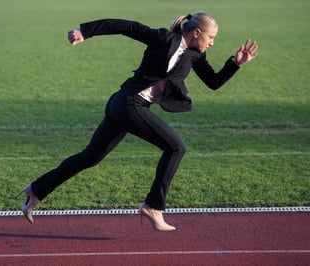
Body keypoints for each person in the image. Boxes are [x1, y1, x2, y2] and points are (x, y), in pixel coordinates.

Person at [17, 11, 258, 231]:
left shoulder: (195, 55)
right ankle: (153, 206)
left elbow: (213, 82)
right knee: (176, 147)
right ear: (196, 32)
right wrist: (86, 32)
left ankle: (37, 190)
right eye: (211, 37)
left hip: (125, 106)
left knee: (90, 156)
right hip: (127, 103)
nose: (212, 42)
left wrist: (235, 64)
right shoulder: (164, 39)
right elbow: (126, 26)